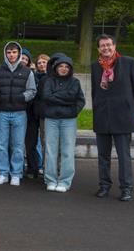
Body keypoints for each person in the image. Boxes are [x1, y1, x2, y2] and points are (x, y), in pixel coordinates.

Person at [91, 35, 134, 202]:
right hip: (102, 116)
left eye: (109, 45)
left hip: (123, 115)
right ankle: (104, 185)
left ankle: (126, 188)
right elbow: (94, 91)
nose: (106, 48)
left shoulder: (128, 63)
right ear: (98, 49)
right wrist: (96, 110)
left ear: (114, 46)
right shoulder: (95, 66)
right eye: (102, 46)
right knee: (103, 155)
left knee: (123, 155)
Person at [0, 41, 36, 186]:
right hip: (1, 112)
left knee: (18, 145)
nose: (11, 55)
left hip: (19, 113)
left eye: (14, 52)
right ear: (5, 54)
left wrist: (21, 97)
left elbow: (32, 91)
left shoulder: (27, 72)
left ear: (19, 54)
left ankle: (16, 174)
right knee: (1, 145)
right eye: (9, 52)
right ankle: (3, 173)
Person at [41, 55, 85, 193]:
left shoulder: (75, 82)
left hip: (69, 120)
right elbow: (46, 97)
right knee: (50, 150)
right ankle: (50, 179)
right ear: (56, 68)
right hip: (51, 119)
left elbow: (79, 100)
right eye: (61, 66)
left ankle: (65, 181)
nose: (64, 69)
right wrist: (67, 99)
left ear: (70, 69)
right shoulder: (49, 81)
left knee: (67, 151)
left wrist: (73, 110)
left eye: (67, 67)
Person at [25, 51, 49, 180]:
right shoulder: (32, 76)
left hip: (45, 114)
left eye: (44, 62)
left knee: (46, 143)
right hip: (32, 114)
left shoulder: (51, 78)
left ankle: (46, 168)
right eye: (39, 62)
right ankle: (32, 167)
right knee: (31, 143)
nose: (41, 64)